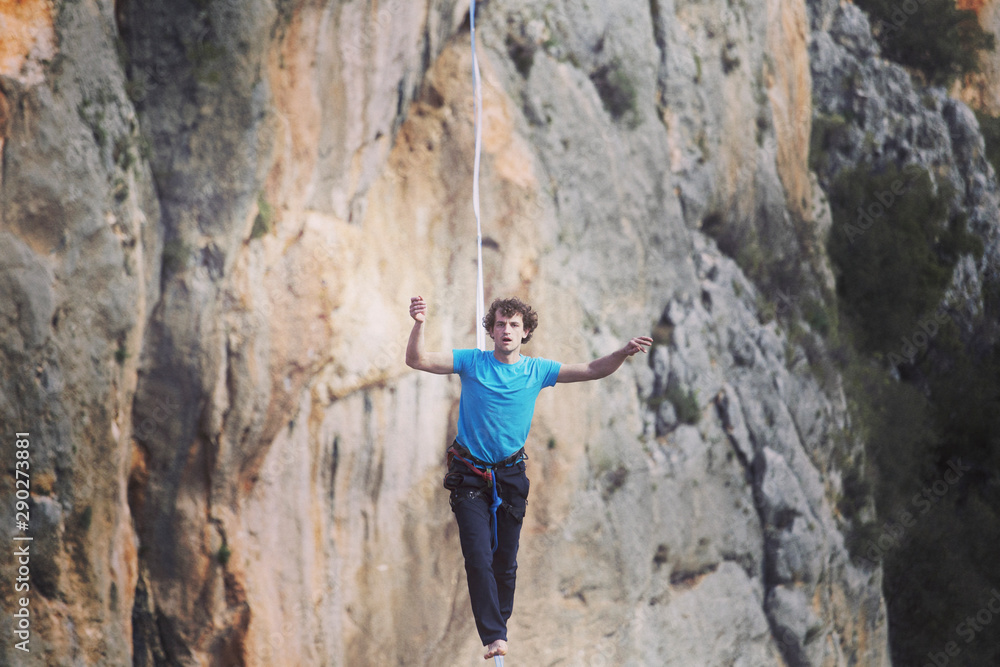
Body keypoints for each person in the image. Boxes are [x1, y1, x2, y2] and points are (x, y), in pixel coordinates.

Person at [405, 295, 652, 660]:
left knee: (506, 561)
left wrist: (621, 353)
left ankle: (499, 624)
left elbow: (590, 370)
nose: (506, 330)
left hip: (510, 476)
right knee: (477, 556)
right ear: (490, 330)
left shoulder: (537, 371)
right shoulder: (471, 362)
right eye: (500, 324)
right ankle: (493, 636)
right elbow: (417, 360)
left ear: (526, 332)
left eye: (514, 325)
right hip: (469, 475)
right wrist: (420, 324)